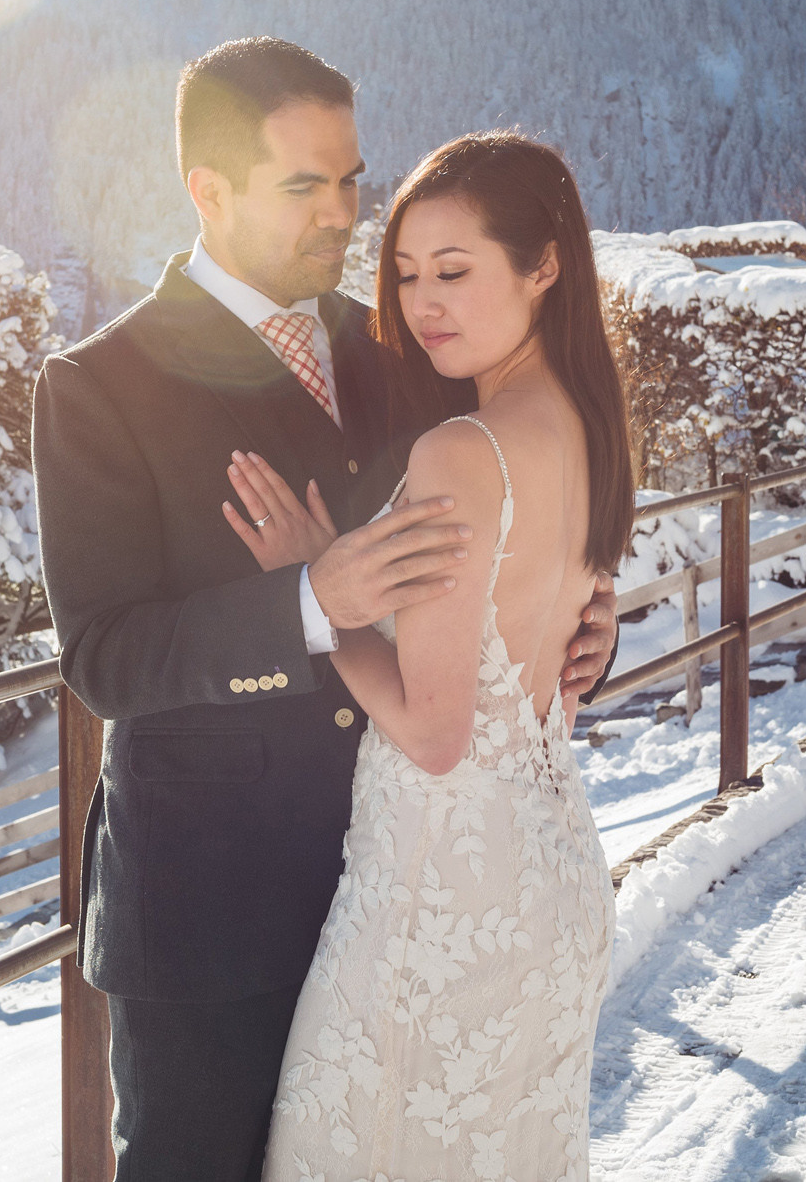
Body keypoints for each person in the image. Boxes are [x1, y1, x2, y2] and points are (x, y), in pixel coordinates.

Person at [32, 39, 619, 1182]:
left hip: (408, 896)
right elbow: (104, 657)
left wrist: (576, 624)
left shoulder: (402, 343)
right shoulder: (100, 386)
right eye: (306, 185)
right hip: (213, 923)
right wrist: (311, 599)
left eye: (352, 178)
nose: (345, 213)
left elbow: (511, 505)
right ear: (208, 189)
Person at [253, 131, 627, 1182]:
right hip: (550, 881)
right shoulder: (593, 425)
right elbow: (556, 612)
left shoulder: (461, 452)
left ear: (543, 263)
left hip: (442, 901)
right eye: (408, 273)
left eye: (455, 272)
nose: (424, 305)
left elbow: (432, 727)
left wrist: (319, 588)